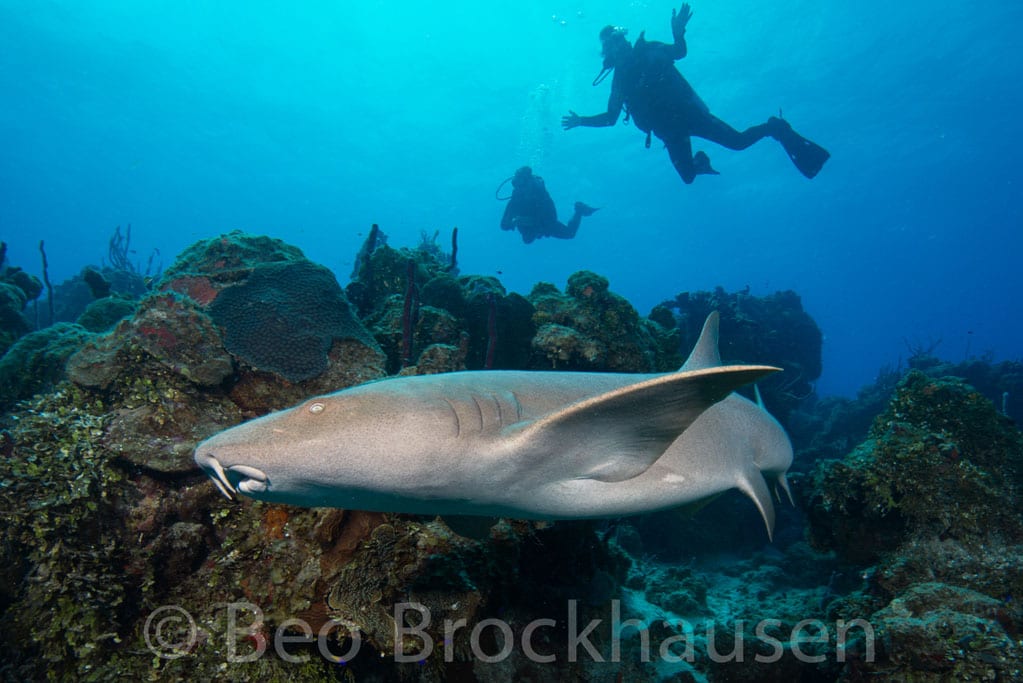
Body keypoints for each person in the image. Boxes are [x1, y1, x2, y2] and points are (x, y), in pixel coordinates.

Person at [561, 3, 829, 183]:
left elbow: (679, 52)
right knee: (688, 178)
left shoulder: (649, 50)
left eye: (620, 40)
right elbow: (610, 118)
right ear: (607, 53)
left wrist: (679, 33)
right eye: (612, 45)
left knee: (737, 142)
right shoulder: (619, 81)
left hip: (690, 115)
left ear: (626, 41)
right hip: (670, 132)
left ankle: (775, 128)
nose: (619, 47)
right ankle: (699, 162)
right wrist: (581, 120)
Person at [499, 166, 598, 244]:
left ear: (529, 183)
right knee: (527, 240)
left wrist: (528, 221)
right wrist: (512, 222)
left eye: (523, 185)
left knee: (569, 233)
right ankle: (532, 231)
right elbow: (503, 225)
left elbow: (551, 219)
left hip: (545, 222)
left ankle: (579, 209)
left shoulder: (541, 197)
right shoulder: (516, 199)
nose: (520, 188)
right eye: (516, 185)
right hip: (534, 226)